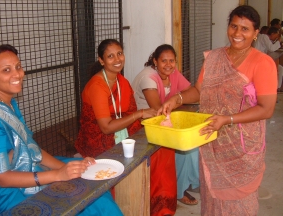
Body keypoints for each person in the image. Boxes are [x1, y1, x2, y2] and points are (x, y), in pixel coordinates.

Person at [0, 44, 123, 216]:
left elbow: (30, 148)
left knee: (89, 184)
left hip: (24, 167)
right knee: (79, 204)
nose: (17, 74)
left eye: (18, 67)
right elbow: (2, 178)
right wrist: (58, 175)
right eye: (6, 70)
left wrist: (68, 169)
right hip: (5, 191)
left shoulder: (8, 102)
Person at [158, 5, 277, 215]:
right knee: (212, 200)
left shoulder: (263, 63)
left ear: (256, 32)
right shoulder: (214, 58)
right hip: (212, 140)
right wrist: (177, 99)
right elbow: (198, 91)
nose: (237, 34)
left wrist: (227, 119)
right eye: (233, 26)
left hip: (241, 147)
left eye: (245, 29)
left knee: (239, 204)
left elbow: (266, 109)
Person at [74, 39, 176, 216]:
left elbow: (130, 112)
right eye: (110, 56)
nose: (117, 59)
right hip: (100, 140)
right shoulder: (97, 85)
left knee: (163, 149)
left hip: (126, 131)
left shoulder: (122, 81)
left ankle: (159, 208)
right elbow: (106, 127)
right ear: (101, 60)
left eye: (119, 53)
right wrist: (140, 114)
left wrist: (148, 123)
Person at [132, 44, 199, 206]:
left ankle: (187, 181)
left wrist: (178, 99)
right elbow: (157, 109)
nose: (168, 65)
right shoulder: (148, 77)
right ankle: (179, 189)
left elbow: (193, 93)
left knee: (193, 143)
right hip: (142, 125)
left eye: (172, 61)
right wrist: (177, 100)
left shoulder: (173, 74)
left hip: (161, 121)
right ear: (155, 61)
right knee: (184, 148)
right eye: (164, 61)